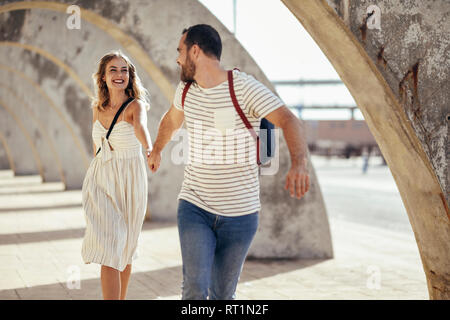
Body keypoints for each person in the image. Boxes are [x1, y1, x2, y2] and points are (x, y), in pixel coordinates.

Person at [148, 24, 310, 300]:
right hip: (194, 206)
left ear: (195, 51)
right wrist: (157, 150)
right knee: (195, 289)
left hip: (241, 215)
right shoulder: (185, 91)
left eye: (180, 51)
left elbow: (287, 119)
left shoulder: (243, 87)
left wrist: (299, 164)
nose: (177, 58)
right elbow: (172, 120)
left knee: (223, 295)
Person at [81, 50, 152, 300]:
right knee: (111, 244)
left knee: (126, 247)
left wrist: (150, 148)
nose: (119, 75)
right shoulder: (97, 108)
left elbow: (142, 129)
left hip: (130, 181)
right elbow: (96, 148)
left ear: (130, 76)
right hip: (101, 181)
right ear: (103, 77)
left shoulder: (135, 106)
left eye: (124, 70)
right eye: (113, 70)